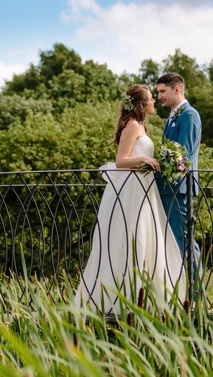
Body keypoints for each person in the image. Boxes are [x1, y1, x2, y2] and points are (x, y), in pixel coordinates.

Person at [74, 84, 187, 314]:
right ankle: (119, 298)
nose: (155, 101)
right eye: (150, 99)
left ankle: (147, 296)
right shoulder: (132, 126)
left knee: (147, 237)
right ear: (141, 104)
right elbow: (120, 161)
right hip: (132, 190)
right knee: (130, 238)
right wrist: (146, 160)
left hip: (144, 188)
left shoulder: (141, 127)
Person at [154, 72, 202, 298]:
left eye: (162, 91)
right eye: (158, 92)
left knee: (184, 240)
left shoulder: (189, 115)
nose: (159, 96)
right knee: (174, 242)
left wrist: (156, 164)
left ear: (177, 89)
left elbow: (183, 156)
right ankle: (181, 292)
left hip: (179, 188)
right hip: (167, 189)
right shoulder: (172, 117)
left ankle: (196, 296)